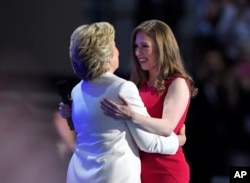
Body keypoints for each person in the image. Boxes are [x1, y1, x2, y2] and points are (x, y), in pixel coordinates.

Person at [59, 21, 187, 183]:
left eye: (144, 46)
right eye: (114, 46)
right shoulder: (122, 88)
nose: (119, 52)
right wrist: (178, 140)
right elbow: (147, 143)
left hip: (78, 175)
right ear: (106, 56)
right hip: (113, 176)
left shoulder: (77, 90)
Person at [100, 19, 198, 183]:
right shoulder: (138, 85)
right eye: (136, 47)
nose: (138, 53)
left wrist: (132, 116)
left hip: (166, 170)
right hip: (137, 169)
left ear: (162, 48)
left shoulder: (177, 83)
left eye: (144, 46)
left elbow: (167, 127)